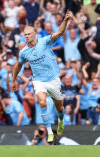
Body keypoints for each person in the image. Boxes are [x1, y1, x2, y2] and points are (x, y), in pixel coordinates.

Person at [11, 10, 73, 142]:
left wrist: (66, 20)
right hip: (39, 80)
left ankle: (61, 120)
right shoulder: (24, 52)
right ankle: (50, 131)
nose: (26, 36)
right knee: (42, 102)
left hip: (53, 78)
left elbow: (59, 33)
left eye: (29, 34)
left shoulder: (44, 41)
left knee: (59, 107)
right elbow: (18, 65)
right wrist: (13, 79)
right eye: (25, 34)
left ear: (34, 34)